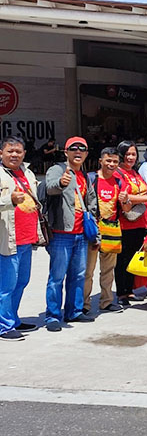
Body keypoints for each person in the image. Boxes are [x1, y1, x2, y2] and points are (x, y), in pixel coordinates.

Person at [44, 136, 98, 332]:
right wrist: (60, 182)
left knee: (78, 274)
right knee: (57, 277)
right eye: (73, 149)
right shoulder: (57, 170)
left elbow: (91, 202)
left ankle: (74, 311)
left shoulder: (84, 175)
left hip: (81, 234)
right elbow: (50, 187)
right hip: (62, 233)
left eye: (82, 149)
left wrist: (94, 230)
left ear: (86, 154)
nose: (78, 152)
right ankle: (53, 315)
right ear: (65, 152)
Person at [0, 136, 43, 340]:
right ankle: (3, 326)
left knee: (21, 281)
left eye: (18, 151)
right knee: (6, 285)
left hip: (27, 238)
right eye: (10, 151)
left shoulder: (27, 172)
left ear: (24, 153)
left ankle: (13, 319)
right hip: (7, 239)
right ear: (1, 153)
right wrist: (9, 199)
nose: (14, 154)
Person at [83, 147, 126, 315]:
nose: (111, 164)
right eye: (108, 160)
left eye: (115, 161)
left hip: (112, 229)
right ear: (100, 161)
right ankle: (84, 304)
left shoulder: (119, 181)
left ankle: (106, 301)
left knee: (108, 269)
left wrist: (125, 200)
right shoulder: (91, 179)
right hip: (93, 230)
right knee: (88, 270)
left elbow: (126, 208)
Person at [115, 140, 147, 307]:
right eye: (127, 154)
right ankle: (121, 293)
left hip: (140, 221)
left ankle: (131, 289)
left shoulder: (135, 173)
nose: (131, 157)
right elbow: (123, 196)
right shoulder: (118, 173)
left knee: (134, 256)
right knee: (123, 259)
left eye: (133, 154)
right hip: (126, 223)